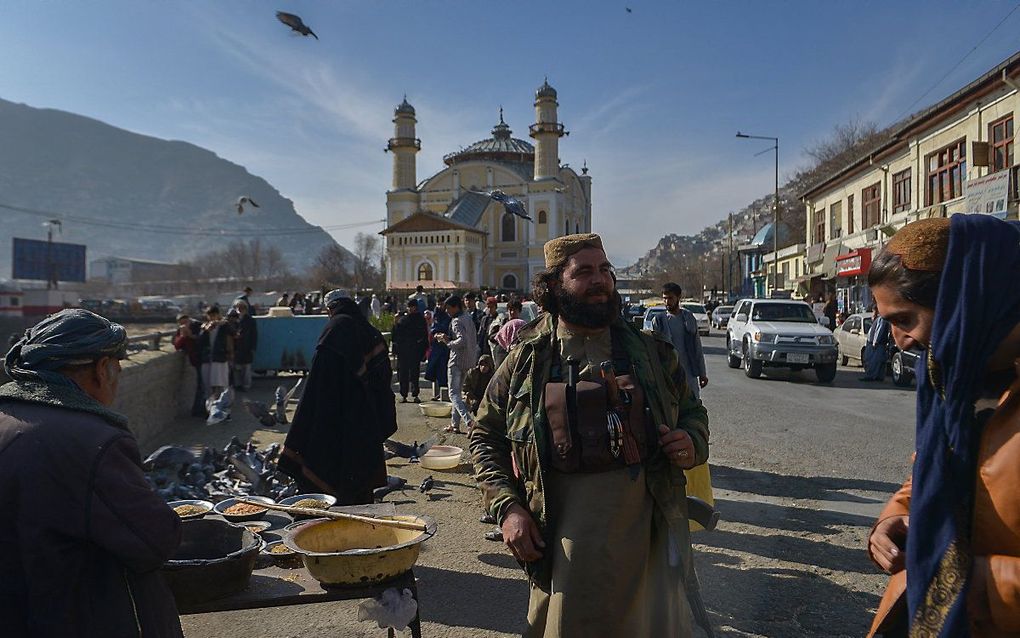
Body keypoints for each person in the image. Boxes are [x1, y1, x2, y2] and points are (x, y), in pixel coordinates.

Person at [471, 233, 713, 637]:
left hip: (647, 553)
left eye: (605, 270)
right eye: (583, 272)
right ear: (553, 286)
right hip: (564, 557)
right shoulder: (525, 362)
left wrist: (691, 441)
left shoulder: (651, 353)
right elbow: (484, 436)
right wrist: (508, 508)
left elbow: (693, 412)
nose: (600, 280)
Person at [865, 216, 1020, 637]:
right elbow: (928, 474)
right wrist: (893, 519)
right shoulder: (951, 380)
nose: (897, 340)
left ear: (963, 301)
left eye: (904, 319)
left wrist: (978, 586)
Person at [0, 309, 183, 637]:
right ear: (102, 369)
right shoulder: (93, 442)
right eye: (117, 367)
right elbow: (155, 542)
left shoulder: (6, 419)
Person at [279, 289, 397, 505]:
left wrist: (306, 426)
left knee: (334, 472)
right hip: (365, 421)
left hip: (337, 420)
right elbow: (383, 379)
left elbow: (318, 385)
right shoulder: (371, 333)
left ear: (329, 309)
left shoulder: (333, 331)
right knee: (361, 478)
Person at [651, 282, 709, 399]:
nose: (667, 302)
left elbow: (697, 346)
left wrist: (702, 373)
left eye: (670, 298)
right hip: (667, 374)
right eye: (664, 299)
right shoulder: (659, 321)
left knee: (693, 405)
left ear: (678, 297)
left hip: (689, 373)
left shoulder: (688, 318)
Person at [435, 295, 479, 433]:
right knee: (458, 394)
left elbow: (462, 341)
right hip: (469, 359)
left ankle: (469, 421)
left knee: (453, 394)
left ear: (455, 307)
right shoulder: (467, 317)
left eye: (449, 308)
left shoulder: (456, 321)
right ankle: (455, 425)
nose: (447, 311)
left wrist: (446, 341)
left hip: (457, 361)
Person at [392, 299, 428, 403]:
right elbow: (396, 335)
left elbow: (424, 336)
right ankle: (403, 394)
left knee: (414, 373)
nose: (411, 308)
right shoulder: (402, 319)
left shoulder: (419, 320)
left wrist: (423, 351)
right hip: (403, 350)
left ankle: (415, 394)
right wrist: (395, 322)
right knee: (403, 373)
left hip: (414, 350)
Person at [198, 305, 234, 404]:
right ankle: (210, 405)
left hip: (220, 358)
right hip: (208, 358)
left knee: (220, 383)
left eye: (214, 315)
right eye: (210, 316)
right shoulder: (205, 326)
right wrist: (205, 330)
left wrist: (222, 323)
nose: (212, 318)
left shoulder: (224, 326)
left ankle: (223, 405)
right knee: (208, 384)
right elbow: (200, 342)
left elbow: (233, 334)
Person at [173, 312, 206, 416]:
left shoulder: (198, 325)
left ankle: (201, 409)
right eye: (181, 323)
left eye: (185, 322)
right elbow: (177, 345)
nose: (184, 325)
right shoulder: (181, 329)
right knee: (200, 385)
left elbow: (203, 341)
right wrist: (183, 336)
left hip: (203, 358)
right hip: (194, 360)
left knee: (203, 385)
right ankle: (198, 409)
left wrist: (191, 335)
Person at [424, 305, 450, 401]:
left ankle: (444, 395)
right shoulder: (436, 317)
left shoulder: (447, 318)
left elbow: (446, 330)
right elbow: (432, 330)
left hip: (444, 350)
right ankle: (439, 394)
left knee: (443, 372)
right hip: (436, 349)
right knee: (437, 372)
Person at [492, 299, 526, 369]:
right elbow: (491, 337)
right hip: (502, 355)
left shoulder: (522, 325)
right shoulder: (501, 323)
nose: (512, 312)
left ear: (519, 311)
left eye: (515, 310)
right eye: (510, 310)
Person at [860, 305, 890, 382]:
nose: (873, 313)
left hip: (877, 344)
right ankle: (878, 376)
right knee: (878, 361)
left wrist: (875, 342)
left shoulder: (881, 319)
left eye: (874, 311)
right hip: (877, 343)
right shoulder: (877, 319)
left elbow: (878, 331)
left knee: (874, 361)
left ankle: (871, 376)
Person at [233, 300, 258, 392]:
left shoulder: (250, 320)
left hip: (247, 347)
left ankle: (246, 385)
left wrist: (253, 347)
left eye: (242, 308)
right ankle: (238, 384)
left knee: (246, 368)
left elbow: (254, 335)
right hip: (237, 347)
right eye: (238, 308)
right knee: (237, 368)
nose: (240, 310)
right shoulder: (234, 319)